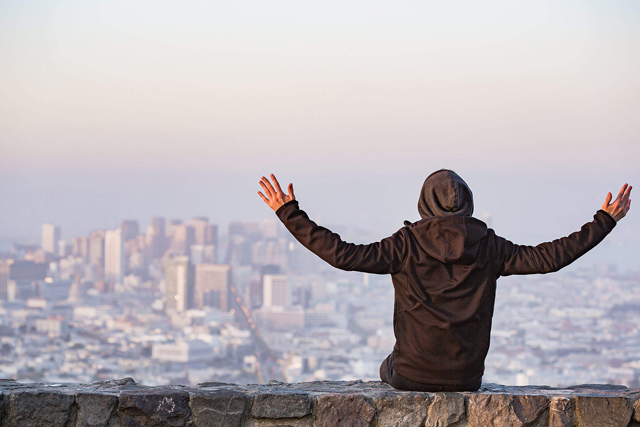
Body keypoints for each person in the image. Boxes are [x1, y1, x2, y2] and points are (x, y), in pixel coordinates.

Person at [257, 171, 632, 392]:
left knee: (384, 368)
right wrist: (605, 220)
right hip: (468, 377)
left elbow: (343, 254)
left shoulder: (405, 245)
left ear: (424, 203)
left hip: (410, 376)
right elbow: (552, 258)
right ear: (468, 202)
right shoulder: (490, 247)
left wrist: (289, 212)